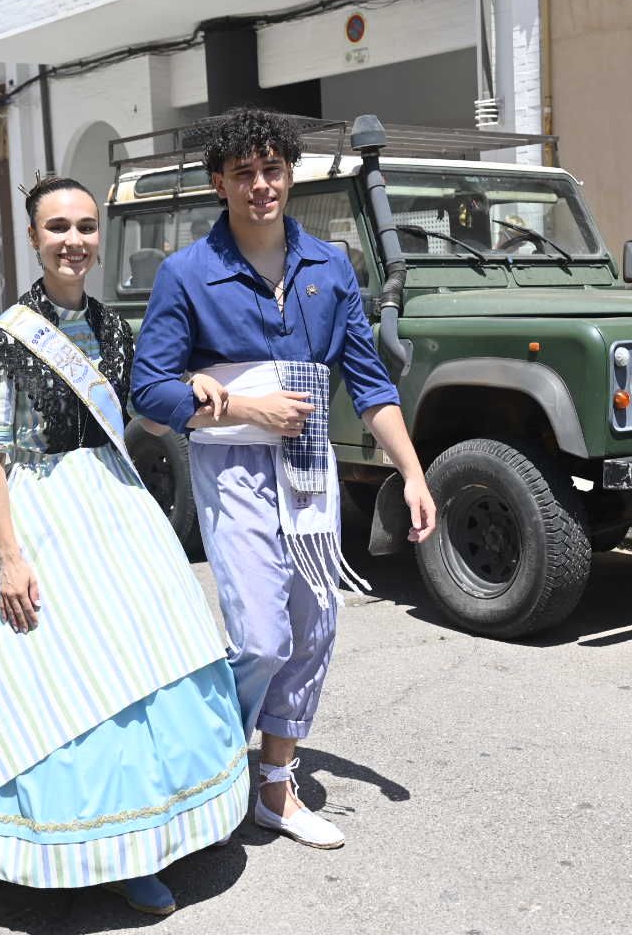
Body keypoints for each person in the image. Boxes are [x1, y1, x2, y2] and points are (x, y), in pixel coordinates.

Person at [0, 177, 246, 917]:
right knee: (56, 677)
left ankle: (145, 840)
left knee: (142, 667)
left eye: (87, 226)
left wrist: (191, 390)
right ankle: (81, 846)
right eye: (58, 226)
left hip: (115, 505)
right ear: (33, 238)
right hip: (36, 508)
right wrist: (9, 557)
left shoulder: (111, 326)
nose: (74, 239)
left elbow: (140, 426)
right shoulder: (8, 336)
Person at [132, 107, 437, 850]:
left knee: (315, 622)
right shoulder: (188, 273)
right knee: (262, 635)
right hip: (231, 466)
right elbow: (148, 388)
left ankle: (274, 782)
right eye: (244, 174)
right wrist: (239, 404)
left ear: (289, 175)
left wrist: (413, 472)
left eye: (272, 170)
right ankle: (206, 755)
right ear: (219, 183)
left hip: (307, 470)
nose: (261, 185)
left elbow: (368, 384)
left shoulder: (329, 268)